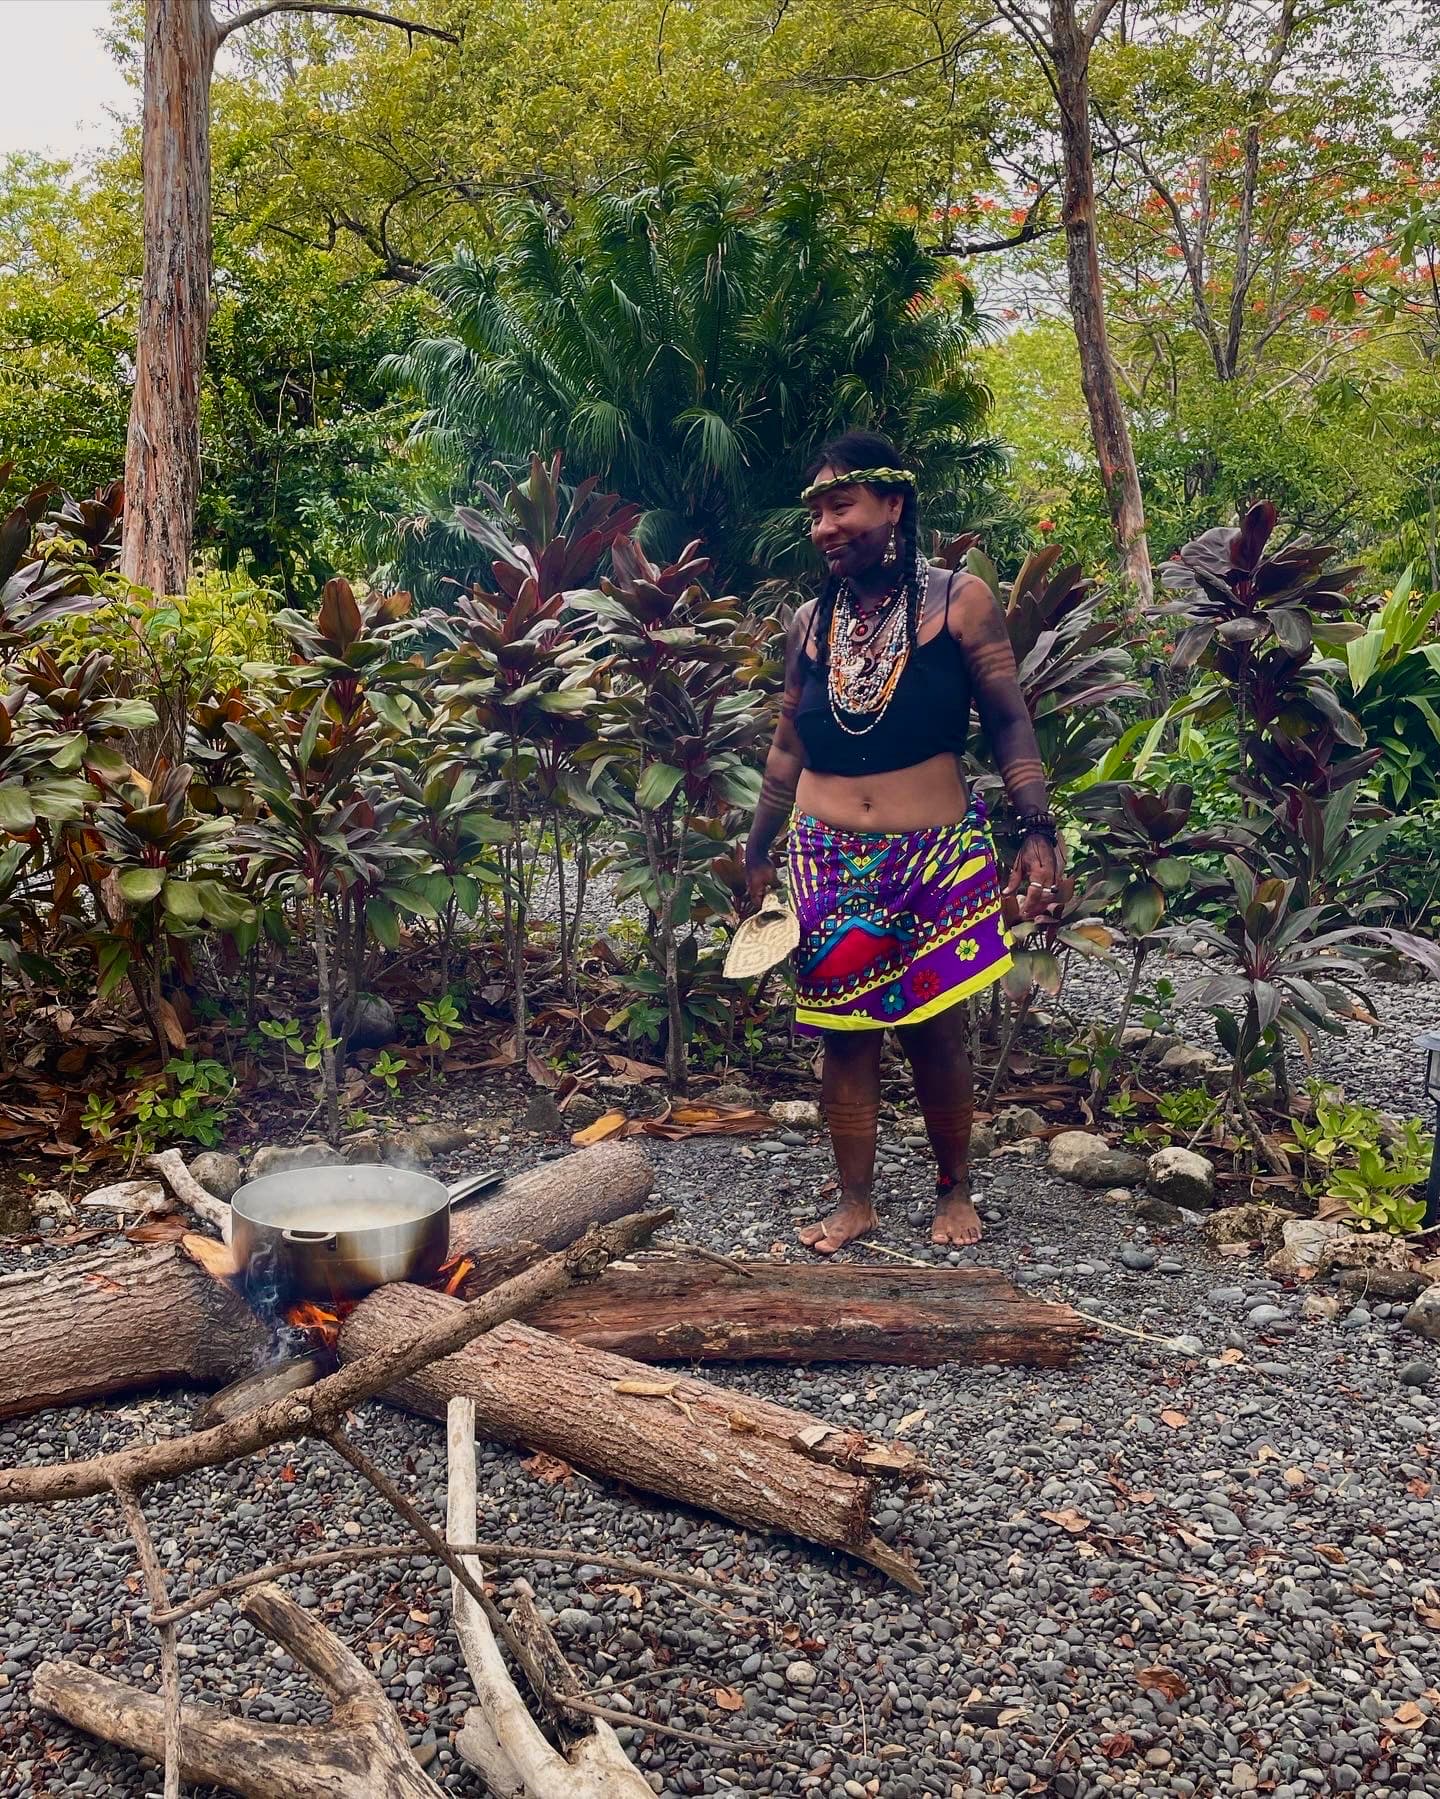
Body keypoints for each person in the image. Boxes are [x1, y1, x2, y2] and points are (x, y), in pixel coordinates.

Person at [744, 431, 1062, 1253]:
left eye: (840, 505)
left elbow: (1006, 718)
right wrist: (755, 851)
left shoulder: (960, 600)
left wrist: (1036, 830)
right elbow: (786, 747)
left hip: (933, 854)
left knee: (934, 1026)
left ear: (893, 505)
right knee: (843, 1033)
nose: (823, 526)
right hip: (823, 854)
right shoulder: (811, 623)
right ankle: (856, 1201)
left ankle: (955, 1191)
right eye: (815, 512)